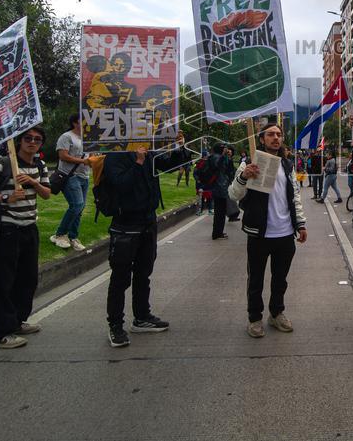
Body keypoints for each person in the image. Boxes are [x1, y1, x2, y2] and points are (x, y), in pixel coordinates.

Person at [102, 136, 189, 348]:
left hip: (148, 221)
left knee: (144, 273)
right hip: (125, 225)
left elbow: (172, 165)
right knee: (120, 278)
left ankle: (142, 316)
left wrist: (180, 146)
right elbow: (120, 185)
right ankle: (115, 325)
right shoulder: (115, 155)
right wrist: (138, 162)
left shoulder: (150, 152)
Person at [0, 127, 51, 349]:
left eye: (37, 139)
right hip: (6, 229)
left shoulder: (39, 165)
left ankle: (16, 321)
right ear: (19, 141)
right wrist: (5, 196)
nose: (32, 142)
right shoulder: (3, 163)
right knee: (3, 282)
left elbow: (47, 193)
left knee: (27, 280)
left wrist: (33, 183)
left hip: (29, 227)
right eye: (28, 138)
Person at [228, 122, 307, 338]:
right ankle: (255, 319)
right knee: (256, 279)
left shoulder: (287, 165)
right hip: (259, 234)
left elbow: (294, 197)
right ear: (261, 139)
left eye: (279, 134)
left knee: (280, 279)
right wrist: (244, 177)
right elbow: (234, 195)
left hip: (284, 233)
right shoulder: (250, 163)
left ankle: (276, 313)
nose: (275, 138)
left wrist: (300, 223)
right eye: (270, 134)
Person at [51, 115, 93, 251]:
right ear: (75, 123)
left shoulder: (87, 138)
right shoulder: (66, 137)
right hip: (70, 176)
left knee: (79, 209)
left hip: (84, 176)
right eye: (84, 120)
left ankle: (73, 237)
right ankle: (60, 234)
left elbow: (90, 156)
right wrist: (83, 161)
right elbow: (63, 155)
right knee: (77, 205)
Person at [207, 144, 236, 240]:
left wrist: (227, 157)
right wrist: (224, 156)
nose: (226, 150)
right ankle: (217, 233)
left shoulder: (217, 157)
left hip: (220, 187)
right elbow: (218, 166)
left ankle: (218, 232)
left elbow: (229, 170)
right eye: (224, 149)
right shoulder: (216, 157)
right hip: (220, 188)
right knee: (220, 212)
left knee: (220, 212)